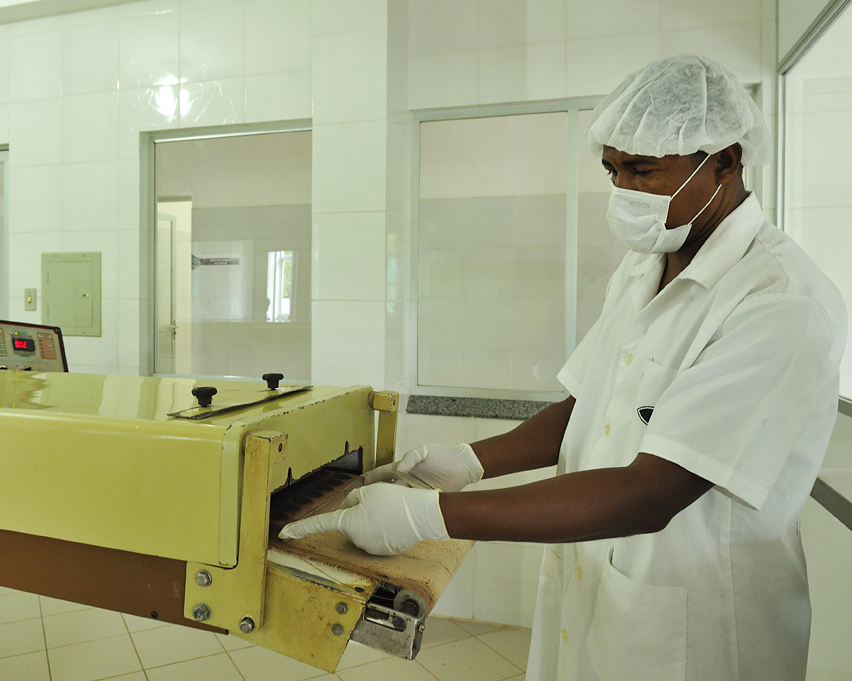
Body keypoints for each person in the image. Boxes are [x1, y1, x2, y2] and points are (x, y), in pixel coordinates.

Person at [280, 54, 847, 681]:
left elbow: (654, 492)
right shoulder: (646, 265)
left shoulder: (777, 298)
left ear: (725, 161)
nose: (624, 190)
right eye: (612, 170)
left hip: (699, 626)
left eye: (644, 170)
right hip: (599, 592)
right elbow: (588, 407)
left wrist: (429, 518)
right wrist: (470, 461)